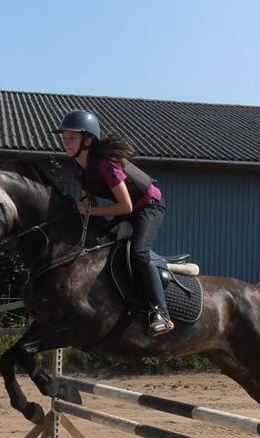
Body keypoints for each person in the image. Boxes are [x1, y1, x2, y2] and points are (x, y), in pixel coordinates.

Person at [54, 109, 174, 336]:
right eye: (64, 138)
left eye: (71, 138)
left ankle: (162, 313)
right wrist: (83, 207)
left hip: (148, 206)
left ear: (88, 140)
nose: (65, 142)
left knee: (138, 253)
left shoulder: (106, 164)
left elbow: (126, 207)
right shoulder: (78, 168)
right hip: (127, 208)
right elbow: (90, 199)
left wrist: (91, 211)